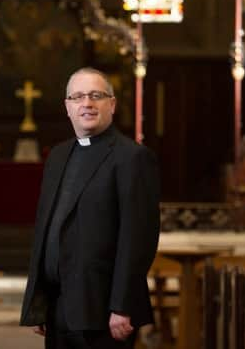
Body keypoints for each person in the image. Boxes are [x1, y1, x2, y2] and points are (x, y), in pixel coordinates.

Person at [20, 67, 161, 348]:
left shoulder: (132, 158)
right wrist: (38, 301)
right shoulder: (58, 156)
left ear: (112, 104)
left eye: (96, 95)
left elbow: (138, 238)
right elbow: (46, 231)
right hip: (58, 307)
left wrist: (122, 305)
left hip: (104, 308)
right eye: (79, 97)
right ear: (68, 107)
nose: (87, 103)